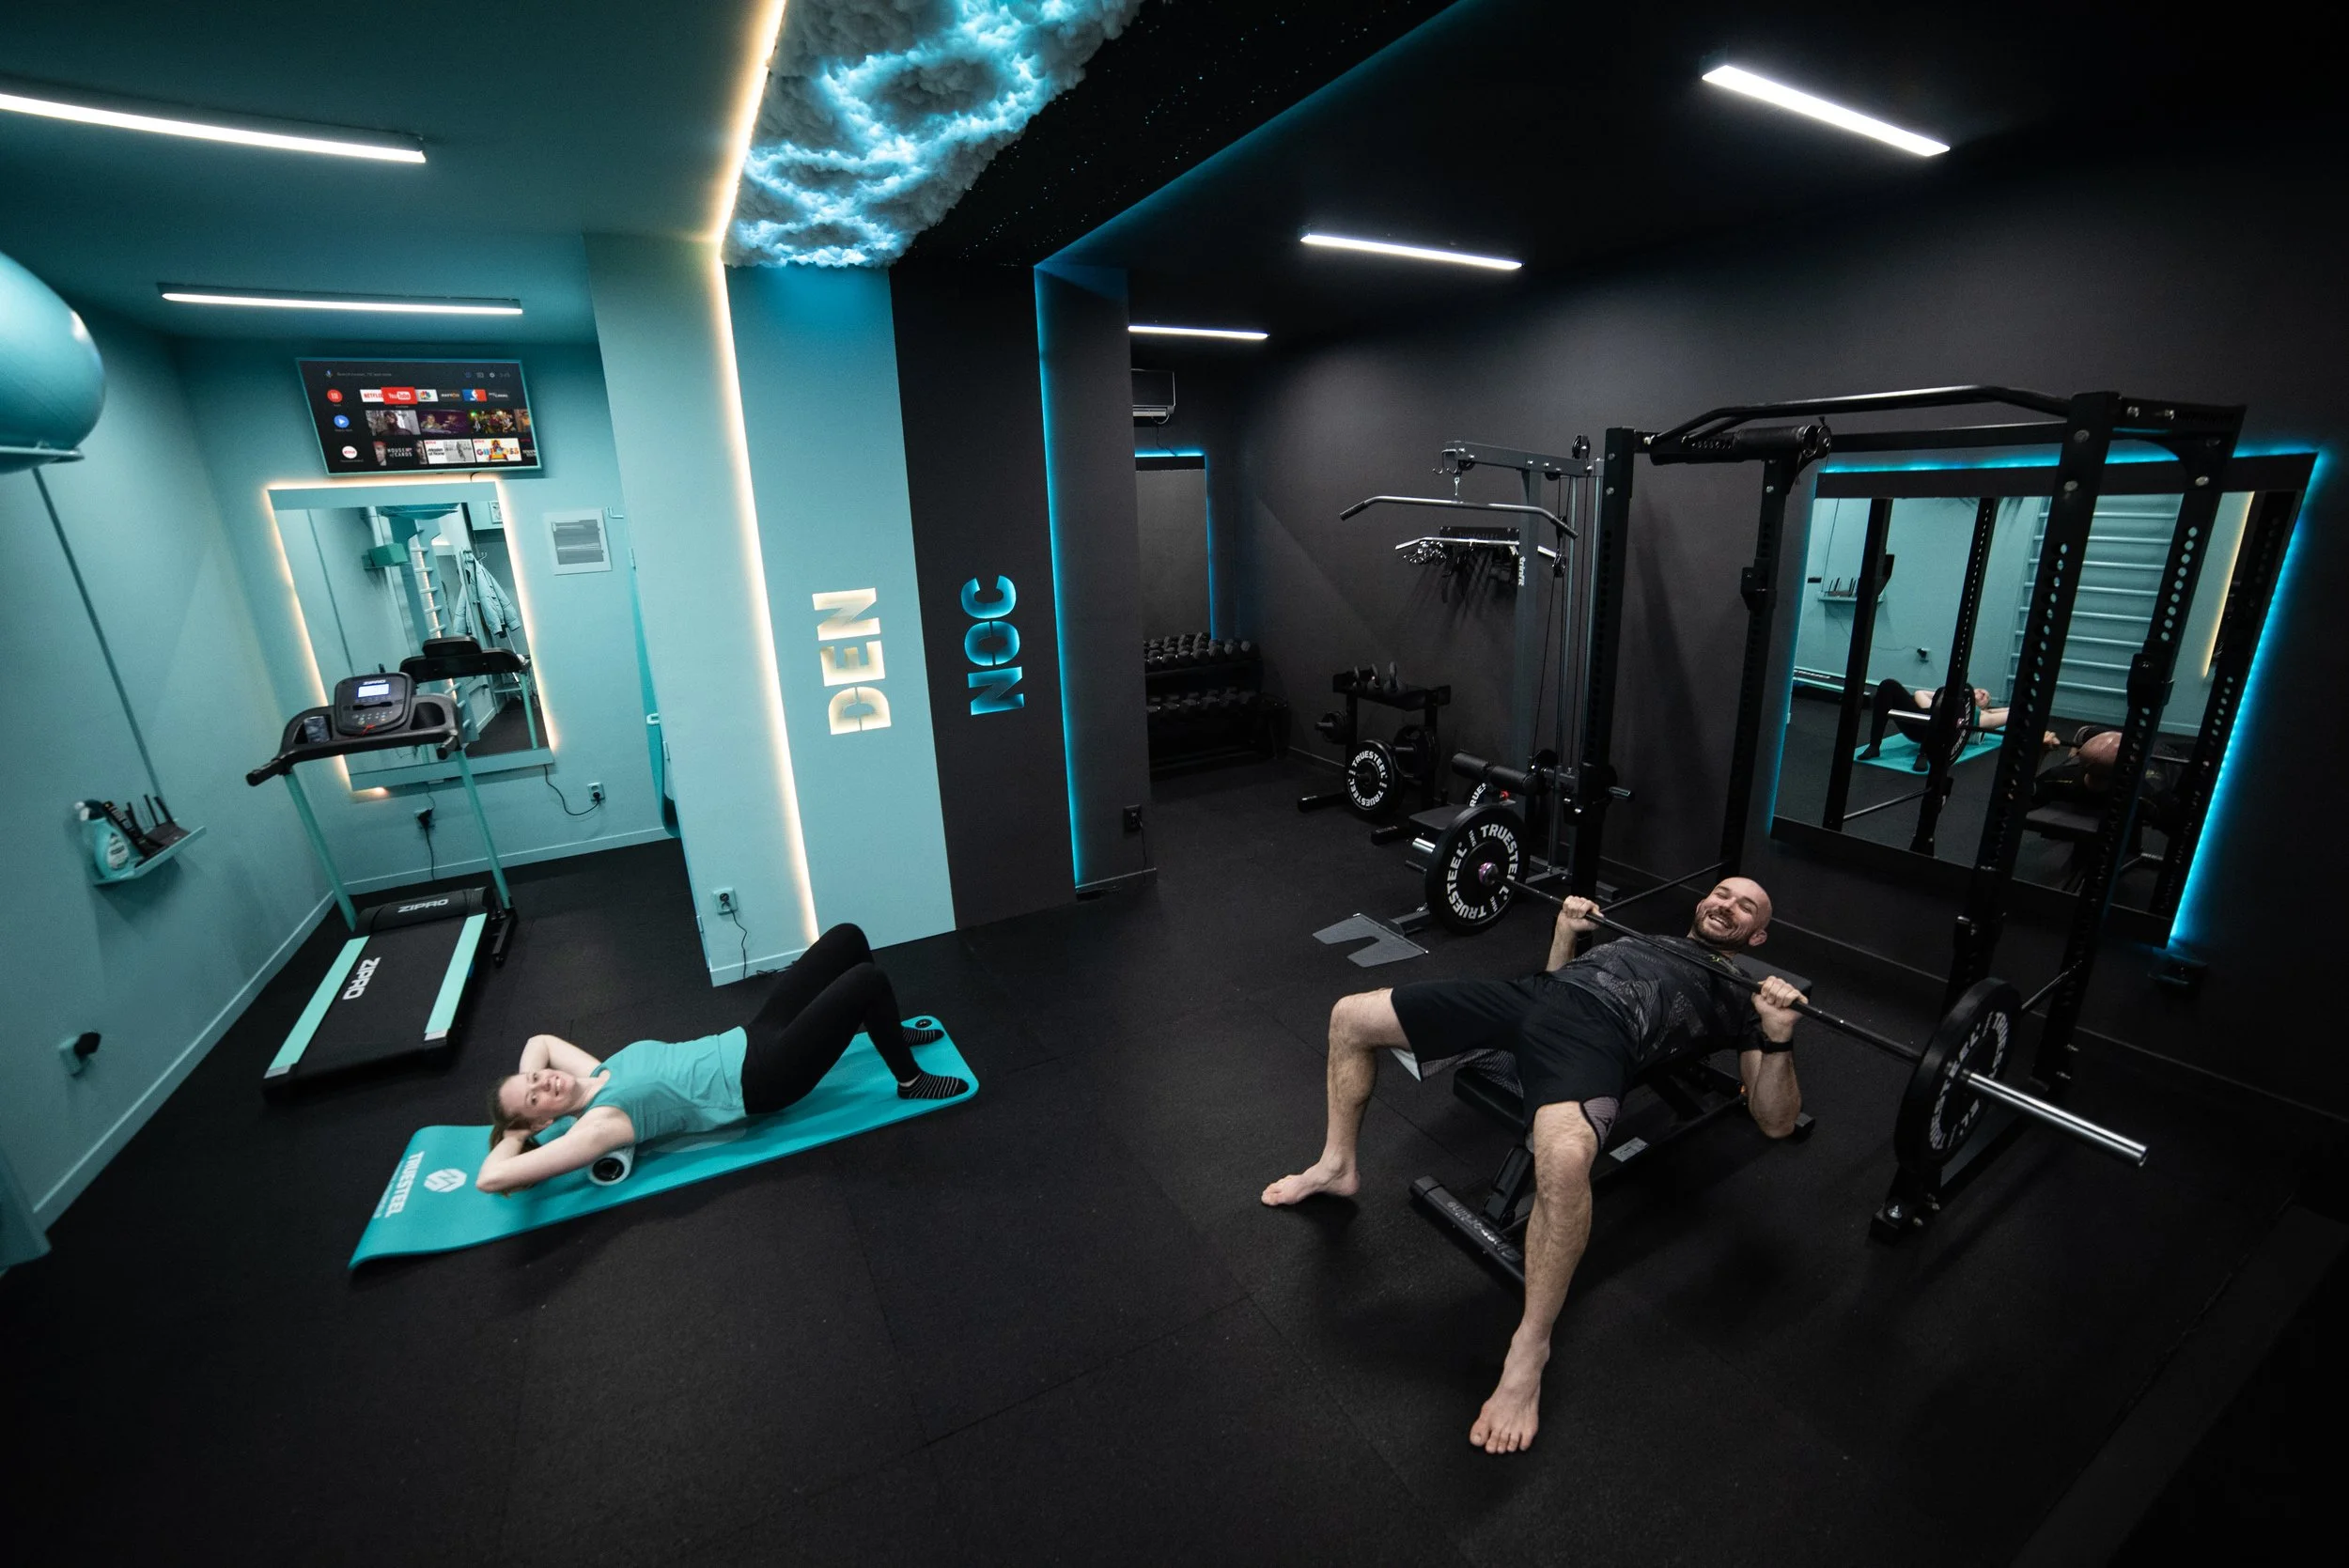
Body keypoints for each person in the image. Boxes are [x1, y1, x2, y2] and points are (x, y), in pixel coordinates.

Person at [1261, 878, 1806, 1455]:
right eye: (1721, 894)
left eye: (1745, 906)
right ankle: (1336, 1165)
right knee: (1350, 1015)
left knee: (1567, 1158)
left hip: (1601, 1039)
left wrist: (1777, 1038)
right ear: (1702, 904)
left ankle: (1531, 1344)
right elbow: (1555, 976)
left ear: (1758, 934)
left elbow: (1775, 1120)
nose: (1727, 905)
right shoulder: (1639, 937)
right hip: (1530, 997)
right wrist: (1565, 934)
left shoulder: (1748, 995)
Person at [475, 924, 965, 1195]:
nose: (546, 1084)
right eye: (536, 1097)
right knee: (865, 981)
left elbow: (540, 1039)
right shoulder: (598, 1125)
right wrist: (519, 1134)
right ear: (541, 1121)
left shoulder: (596, 1073)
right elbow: (491, 1177)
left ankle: (887, 1029)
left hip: (753, 1035)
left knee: (848, 939)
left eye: (538, 1078)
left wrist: (522, 1094)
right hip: (765, 1079)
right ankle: (910, 1080)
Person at [1860, 681, 2011, 768]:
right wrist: (1952, 695)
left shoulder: (1980, 717)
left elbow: (2010, 713)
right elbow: (1920, 693)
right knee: (1888, 685)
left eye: (1986, 697)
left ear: (1986, 707)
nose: (1982, 694)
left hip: (1938, 736)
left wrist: (1989, 709)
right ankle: (1874, 746)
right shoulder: (1940, 699)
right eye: (1979, 691)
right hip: (1919, 723)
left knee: (1943, 703)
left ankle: (1924, 754)